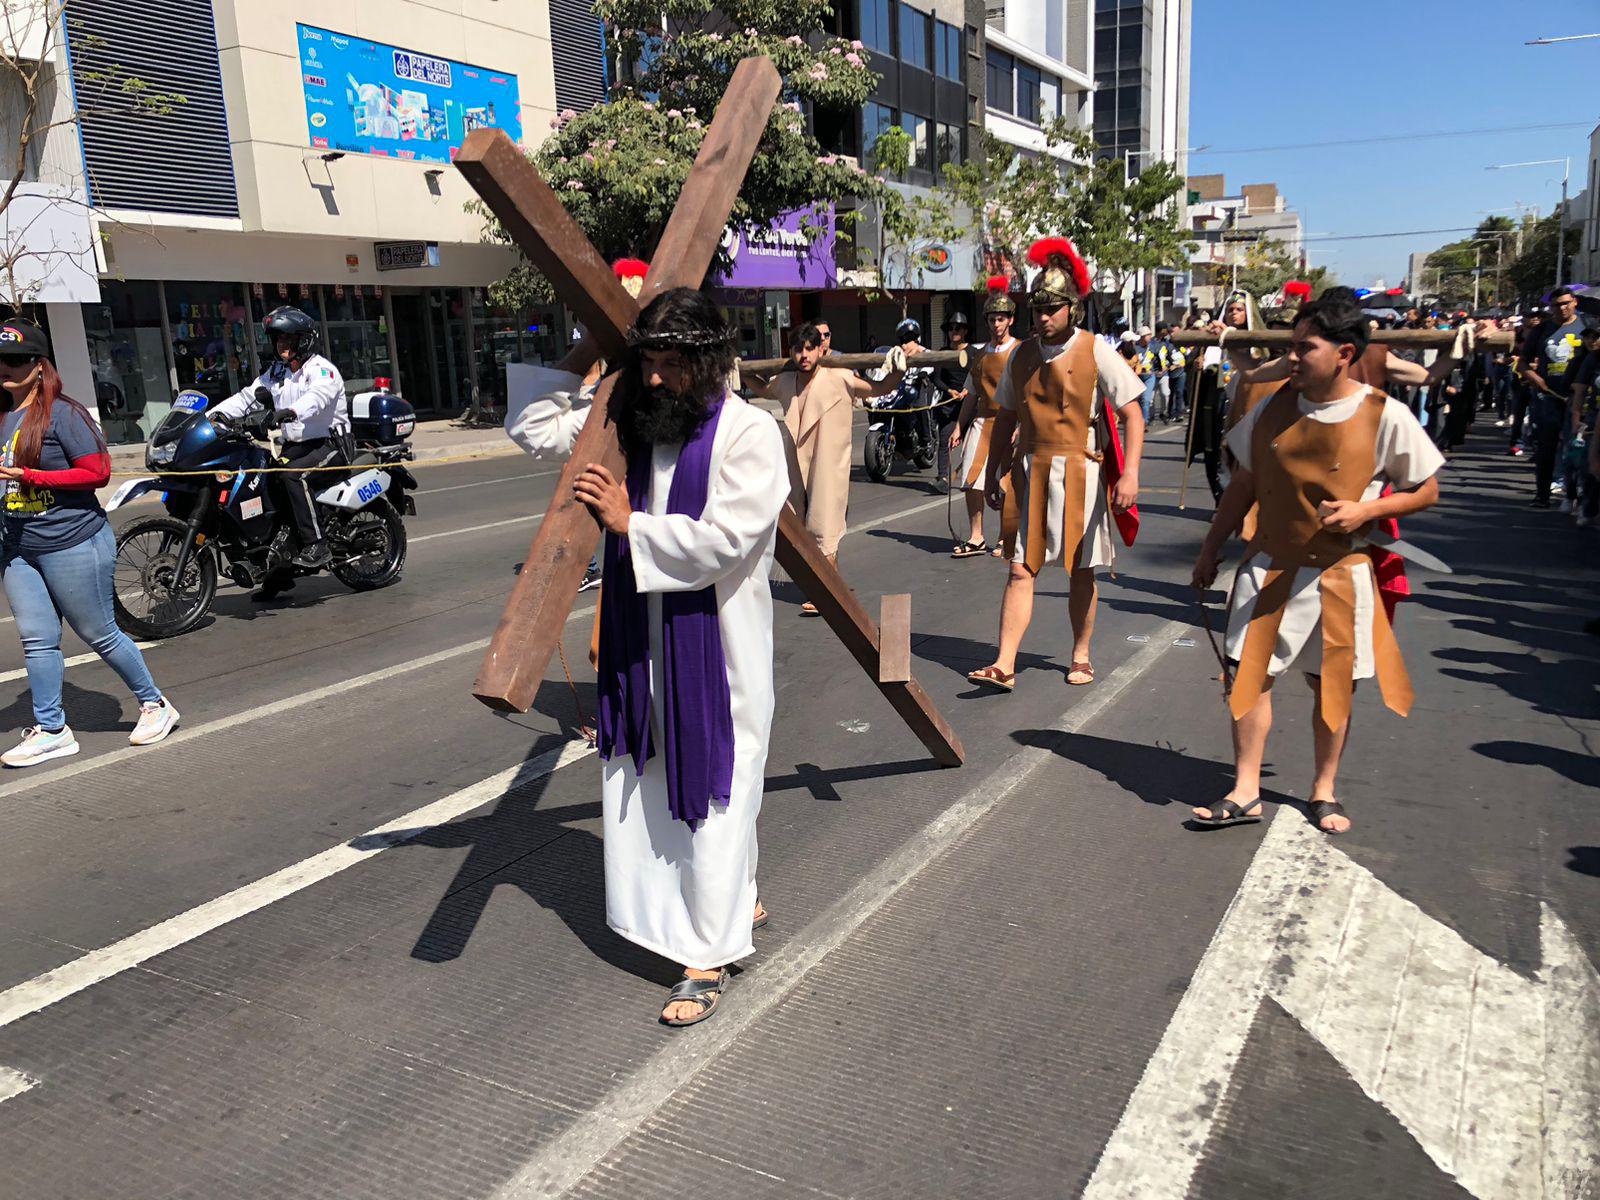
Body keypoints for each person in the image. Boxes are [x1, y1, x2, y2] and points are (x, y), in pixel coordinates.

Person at [503, 287, 788, 1026]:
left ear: (709, 361)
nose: (657, 378)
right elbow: (530, 424)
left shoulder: (749, 434)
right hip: (641, 646)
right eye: (648, 361)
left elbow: (727, 540)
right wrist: (592, 350)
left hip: (715, 650)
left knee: (717, 790)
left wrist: (632, 523)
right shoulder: (628, 421)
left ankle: (708, 954)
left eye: (671, 364)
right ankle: (721, 904)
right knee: (653, 785)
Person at [1190, 292, 1443, 835]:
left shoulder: (1384, 414)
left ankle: (1324, 789)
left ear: (1345, 353)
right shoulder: (1273, 407)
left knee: (1331, 687)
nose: (1294, 358)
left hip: (1340, 575)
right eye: (1292, 346)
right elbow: (1245, 482)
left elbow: (1427, 489)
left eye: (1305, 348)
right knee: (1247, 679)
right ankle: (1246, 789)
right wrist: (1211, 549)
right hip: (1268, 568)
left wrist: (1369, 509)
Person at [966, 237, 1145, 692]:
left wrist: (1130, 473)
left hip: (1081, 471)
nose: (1043, 317)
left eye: (1052, 308)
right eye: (1038, 308)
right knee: (1019, 567)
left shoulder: (1095, 349)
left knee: (1080, 569)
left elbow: (1132, 413)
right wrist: (992, 473)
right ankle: (1004, 662)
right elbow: (1006, 416)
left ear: (1072, 308)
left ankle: (1081, 656)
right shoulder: (1021, 355)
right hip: (1030, 471)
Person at [0, 318, 179, 766]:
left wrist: (30, 475)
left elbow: (96, 472)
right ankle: (52, 729)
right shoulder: (3, 415)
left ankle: (155, 704)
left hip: (72, 541)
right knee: (37, 641)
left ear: (40, 366)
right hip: (19, 548)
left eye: (17, 360)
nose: (6, 367)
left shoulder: (64, 413)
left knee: (98, 632)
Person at [743, 322, 908, 614]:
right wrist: (742, 371)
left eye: (809, 348)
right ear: (791, 352)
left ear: (821, 349)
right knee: (803, 528)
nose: (804, 355)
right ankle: (830, 585)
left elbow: (880, 387)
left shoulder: (840, 377)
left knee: (824, 526)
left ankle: (824, 592)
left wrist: (898, 370)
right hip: (797, 464)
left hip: (830, 465)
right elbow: (763, 389)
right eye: (798, 349)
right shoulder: (786, 382)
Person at [209, 305, 349, 571]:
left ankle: (316, 543)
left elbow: (316, 399)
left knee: (293, 475)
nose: (281, 344)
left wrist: (289, 412)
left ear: (304, 339)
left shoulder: (321, 370)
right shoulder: (276, 373)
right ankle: (277, 564)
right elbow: (246, 398)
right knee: (262, 479)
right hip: (296, 446)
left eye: (288, 338)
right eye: (278, 339)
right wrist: (210, 417)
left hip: (331, 444)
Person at [948, 276, 1022, 557]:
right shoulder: (979, 354)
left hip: (1010, 422)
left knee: (1006, 482)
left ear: (1010, 321)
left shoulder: (1019, 350)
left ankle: (1006, 537)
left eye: (1001, 319)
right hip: (982, 421)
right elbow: (971, 393)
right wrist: (958, 427)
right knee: (970, 478)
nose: (996, 324)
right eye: (992, 319)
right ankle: (976, 536)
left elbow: (1027, 394)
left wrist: (1021, 425)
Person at [1519, 287, 1583, 508]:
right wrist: (1536, 380)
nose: (1561, 308)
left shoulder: (1586, 327)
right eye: (1556, 305)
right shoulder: (1542, 329)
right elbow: (1523, 362)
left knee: (1576, 446)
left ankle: (1572, 494)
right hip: (1548, 396)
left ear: (1574, 302)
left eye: (1566, 303)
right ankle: (1542, 494)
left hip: (1578, 398)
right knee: (1546, 446)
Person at [933, 311, 971, 486]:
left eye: (958, 328)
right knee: (944, 440)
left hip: (969, 404)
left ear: (965, 331)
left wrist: (967, 390)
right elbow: (936, 378)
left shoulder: (973, 352)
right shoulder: (943, 353)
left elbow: (978, 376)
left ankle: (971, 474)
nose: (954, 331)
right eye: (950, 328)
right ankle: (942, 477)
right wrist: (949, 391)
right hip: (949, 405)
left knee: (972, 442)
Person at [1160, 324, 1188, 423]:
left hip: (1181, 372)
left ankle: (1179, 414)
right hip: (1171, 373)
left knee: (1179, 392)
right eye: (1173, 332)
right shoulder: (1167, 345)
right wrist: (1168, 366)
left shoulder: (1182, 344)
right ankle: (1170, 413)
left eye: (1177, 332)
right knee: (1170, 394)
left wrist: (1179, 365)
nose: (1175, 334)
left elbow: (1187, 356)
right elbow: (1163, 359)